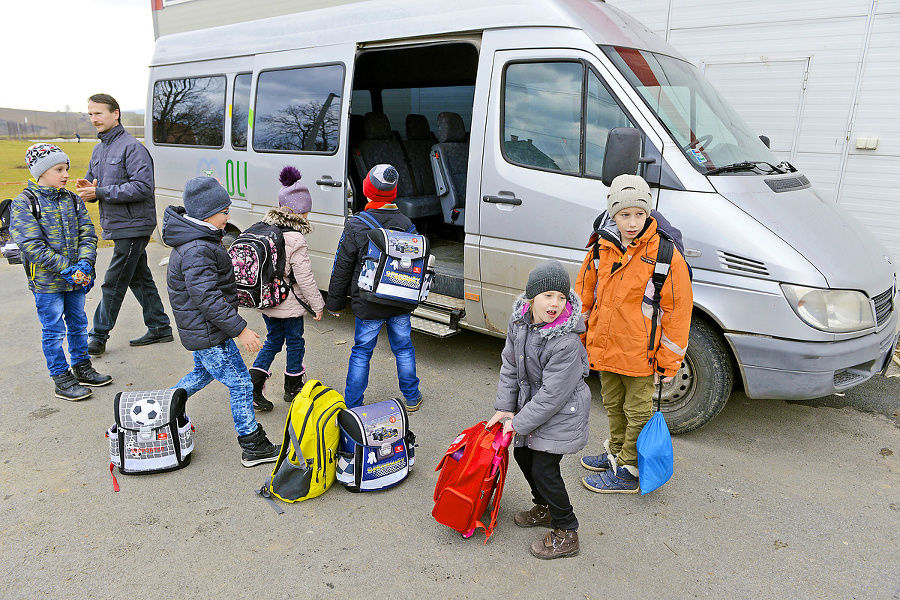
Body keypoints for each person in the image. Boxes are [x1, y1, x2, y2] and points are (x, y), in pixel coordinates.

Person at [576, 174, 692, 493]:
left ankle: (629, 469)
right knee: (613, 404)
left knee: (637, 410)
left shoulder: (665, 255)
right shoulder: (602, 246)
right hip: (606, 347)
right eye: (624, 214)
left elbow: (678, 312)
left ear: (648, 213)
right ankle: (616, 451)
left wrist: (669, 363)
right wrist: (576, 337)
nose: (632, 222)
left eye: (639, 214)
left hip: (642, 355)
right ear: (613, 213)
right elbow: (584, 293)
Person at [162, 176, 279, 467]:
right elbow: (207, 298)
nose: (228, 217)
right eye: (224, 212)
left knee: (202, 375)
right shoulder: (197, 248)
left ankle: (166, 413)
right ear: (205, 213)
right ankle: (253, 445)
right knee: (240, 383)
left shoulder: (198, 240)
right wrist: (241, 330)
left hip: (206, 330)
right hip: (210, 331)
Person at [487, 260, 590, 560]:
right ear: (532, 298)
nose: (555, 304)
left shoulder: (566, 341)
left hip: (562, 412)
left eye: (561, 297)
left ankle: (567, 530)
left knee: (545, 469)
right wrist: (506, 409)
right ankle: (544, 507)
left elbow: (552, 396)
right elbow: (509, 365)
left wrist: (519, 422)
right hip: (533, 408)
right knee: (522, 454)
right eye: (547, 296)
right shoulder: (519, 321)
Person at [10, 144, 112, 401]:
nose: (65, 174)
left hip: (76, 280)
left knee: (79, 325)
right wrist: (66, 268)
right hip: (47, 283)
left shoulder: (72, 200)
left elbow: (88, 233)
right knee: (54, 330)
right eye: (59, 169)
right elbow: (31, 245)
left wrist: (86, 264)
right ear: (41, 172)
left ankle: (82, 367)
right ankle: (61, 377)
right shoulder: (25, 203)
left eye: (66, 168)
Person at [75, 93, 173, 357]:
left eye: (99, 113)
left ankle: (97, 336)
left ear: (115, 113)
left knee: (113, 281)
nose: (94, 119)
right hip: (118, 224)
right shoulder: (99, 149)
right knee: (139, 278)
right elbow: (93, 182)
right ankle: (160, 327)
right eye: (91, 114)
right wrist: (86, 188)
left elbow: (142, 187)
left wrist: (101, 193)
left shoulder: (132, 147)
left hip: (134, 225)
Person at [325, 164, 422, 411]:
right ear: (393, 194)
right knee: (403, 348)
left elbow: (342, 266)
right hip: (400, 299)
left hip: (368, 302)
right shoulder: (406, 223)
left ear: (368, 192)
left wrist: (335, 302)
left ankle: (353, 404)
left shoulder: (357, 224)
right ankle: (411, 397)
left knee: (361, 353)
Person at [249, 166, 325, 410]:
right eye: (306, 213)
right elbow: (304, 277)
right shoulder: (296, 238)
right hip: (289, 304)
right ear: (298, 212)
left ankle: (254, 383)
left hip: (267, 300)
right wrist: (318, 305)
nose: (307, 217)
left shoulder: (265, 229)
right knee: (295, 341)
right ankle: (293, 387)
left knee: (273, 341)